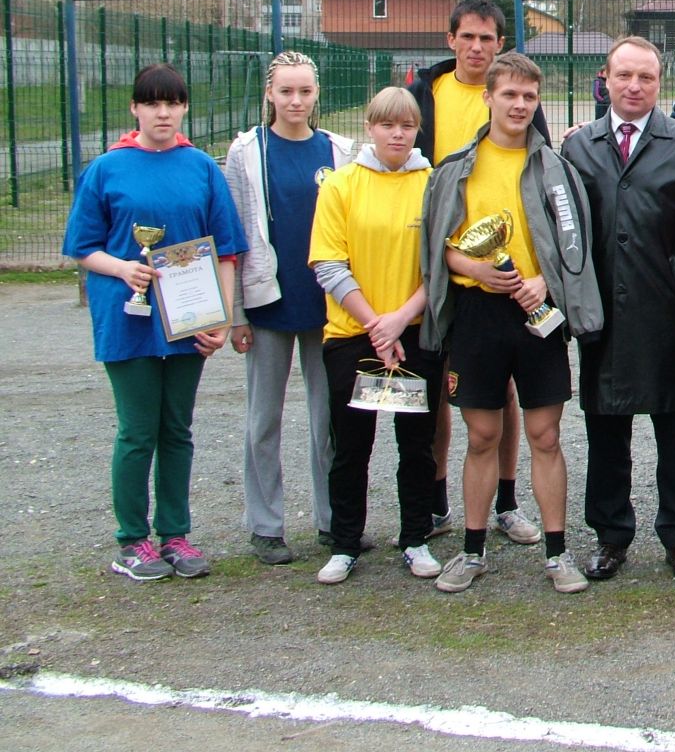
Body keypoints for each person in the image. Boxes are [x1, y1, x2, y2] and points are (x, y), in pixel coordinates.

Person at [421, 52, 605, 594]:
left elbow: (575, 247)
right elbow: (435, 249)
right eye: (509, 94)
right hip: (477, 315)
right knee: (482, 435)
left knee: (545, 434)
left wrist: (546, 282)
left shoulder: (556, 170)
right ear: (489, 98)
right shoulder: (455, 169)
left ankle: (558, 554)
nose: (519, 105)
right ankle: (472, 551)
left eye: (529, 96)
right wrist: (473, 268)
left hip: (538, 316)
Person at [63, 63, 246, 582]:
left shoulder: (201, 168)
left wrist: (221, 318)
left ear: (184, 108)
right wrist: (124, 268)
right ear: (135, 108)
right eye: (152, 103)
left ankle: (175, 536)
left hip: (189, 319)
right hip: (128, 319)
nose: (162, 113)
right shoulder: (107, 168)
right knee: (138, 430)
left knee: (177, 429)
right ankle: (132, 540)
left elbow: (226, 250)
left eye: (172, 103)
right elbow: (82, 247)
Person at [563, 37, 675, 584]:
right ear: (605, 79)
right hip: (602, 313)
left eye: (646, 77)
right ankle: (611, 535)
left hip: (667, 311)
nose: (634, 87)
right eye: (625, 76)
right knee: (606, 432)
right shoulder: (578, 147)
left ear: (659, 83)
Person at [407, 0, 548, 547]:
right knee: (442, 383)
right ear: (451, 40)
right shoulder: (428, 93)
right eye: (467, 36)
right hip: (442, 255)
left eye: (487, 39)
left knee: (503, 389)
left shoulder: (516, 95)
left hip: (505, 273)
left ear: (500, 45)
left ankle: (507, 502)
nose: (476, 47)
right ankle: (439, 497)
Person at [225, 51, 355, 565]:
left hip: (328, 305)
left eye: (304, 91)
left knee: (330, 417)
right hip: (268, 304)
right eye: (286, 91)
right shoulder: (246, 152)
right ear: (270, 94)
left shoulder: (339, 151)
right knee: (264, 418)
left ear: (316, 93)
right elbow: (235, 233)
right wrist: (236, 312)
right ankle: (265, 525)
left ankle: (332, 521)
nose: (295, 101)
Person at [308, 87, 441, 585]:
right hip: (353, 335)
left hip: (414, 334)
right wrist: (376, 326)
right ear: (370, 128)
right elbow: (328, 263)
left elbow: (439, 267)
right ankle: (345, 543)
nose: (397, 135)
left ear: (417, 130)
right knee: (351, 446)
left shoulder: (432, 183)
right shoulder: (341, 185)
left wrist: (399, 320)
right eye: (387, 125)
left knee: (418, 446)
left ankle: (416, 538)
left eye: (406, 126)